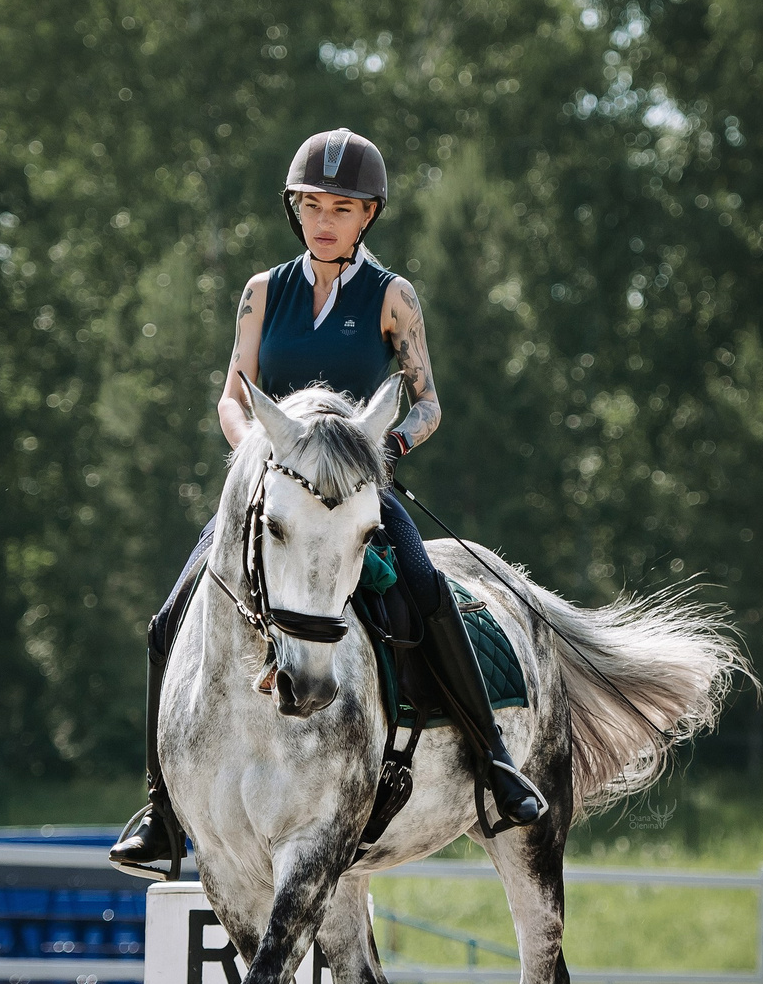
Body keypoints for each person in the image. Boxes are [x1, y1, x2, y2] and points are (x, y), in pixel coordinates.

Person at [109, 127, 548, 879]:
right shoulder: (259, 292)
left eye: (340, 207)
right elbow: (231, 394)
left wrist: (383, 451)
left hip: (352, 498)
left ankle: (496, 762)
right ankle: (159, 808)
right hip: (268, 497)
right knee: (166, 621)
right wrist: (256, 451)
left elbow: (427, 405)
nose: (323, 219)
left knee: (428, 587)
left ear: (367, 215)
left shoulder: (393, 298)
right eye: (311, 204)